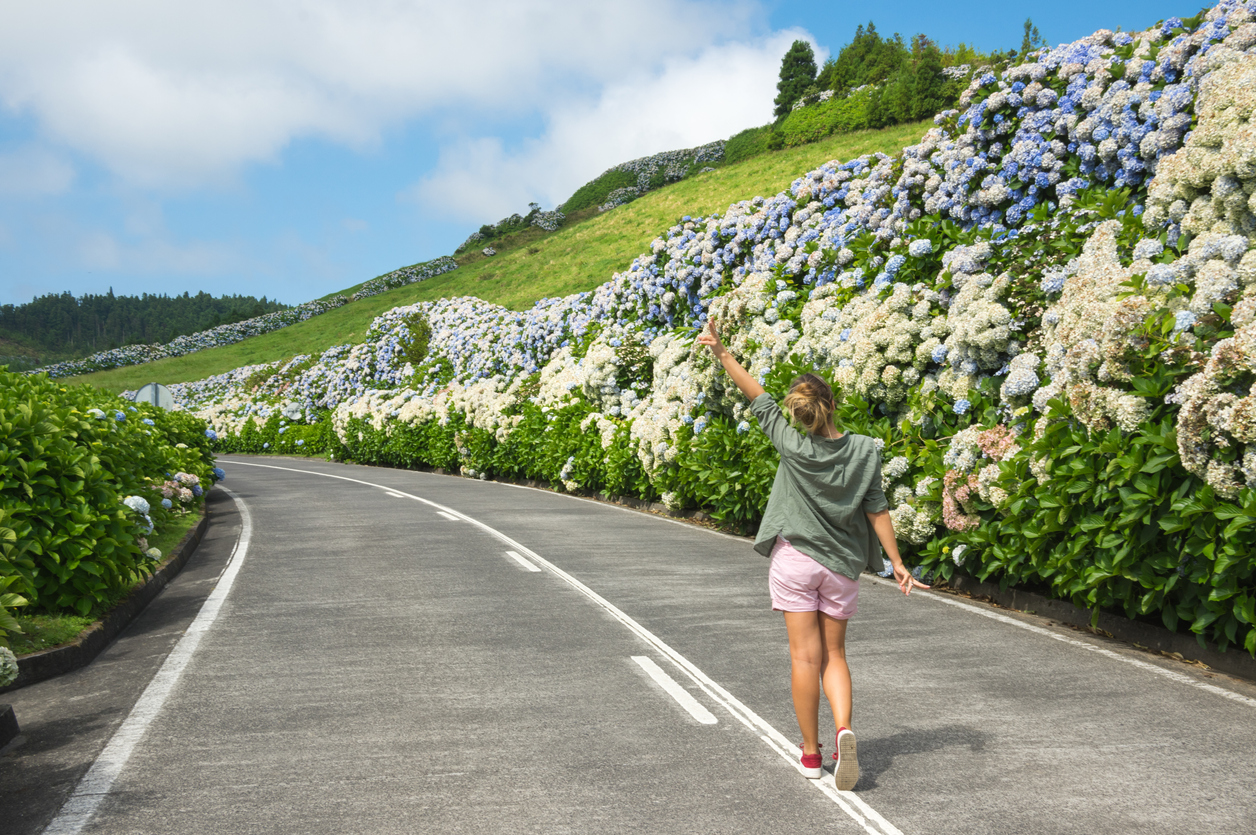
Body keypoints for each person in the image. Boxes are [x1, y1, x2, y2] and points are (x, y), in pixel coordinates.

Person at [697, 315, 929, 791]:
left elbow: (755, 395)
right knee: (836, 655)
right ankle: (844, 728)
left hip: (795, 561)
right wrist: (897, 564)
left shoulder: (790, 444)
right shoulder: (865, 450)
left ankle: (810, 752)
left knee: (805, 659)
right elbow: (877, 509)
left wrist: (722, 352)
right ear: (833, 405)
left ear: (799, 412)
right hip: (841, 566)